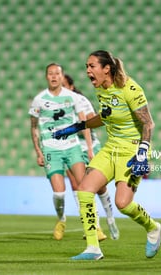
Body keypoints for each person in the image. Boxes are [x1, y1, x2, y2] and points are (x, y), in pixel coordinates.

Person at [53, 50, 161, 260]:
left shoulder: (129, 88)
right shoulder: (101, 90)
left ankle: (153, 227)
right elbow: (105, 116)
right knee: (84, 190)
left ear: (106, 69)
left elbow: (148, 122)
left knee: (123, 204)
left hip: (131, 150)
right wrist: (78, 126)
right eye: (86, 66)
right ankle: (93, 248)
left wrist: (142, 153)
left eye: (92, 66)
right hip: (110, 148)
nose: (87, 71)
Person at [29, 63, 108, 240]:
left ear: (61, 75)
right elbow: (33, 127)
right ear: (46, 77)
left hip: (72, 147)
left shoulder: (73, 97)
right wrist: (38, 151)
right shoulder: (39, 100)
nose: (54, 77)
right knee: (59, 193)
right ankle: (61, 220)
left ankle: (95, 227)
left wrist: (88, 148)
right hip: (51, 148)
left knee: (84, 188)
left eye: (57, 73)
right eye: (50, 74)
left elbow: (83, 123)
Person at [62, 74, 119, 240]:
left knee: (99, 187)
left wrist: (89, 148)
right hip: (70, 148)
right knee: (76, 186)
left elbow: (87, 124)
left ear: (71, 86)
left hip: (89, 147)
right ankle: (94, 227)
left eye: (65, 85)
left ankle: (110, 218)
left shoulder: (81, 101)